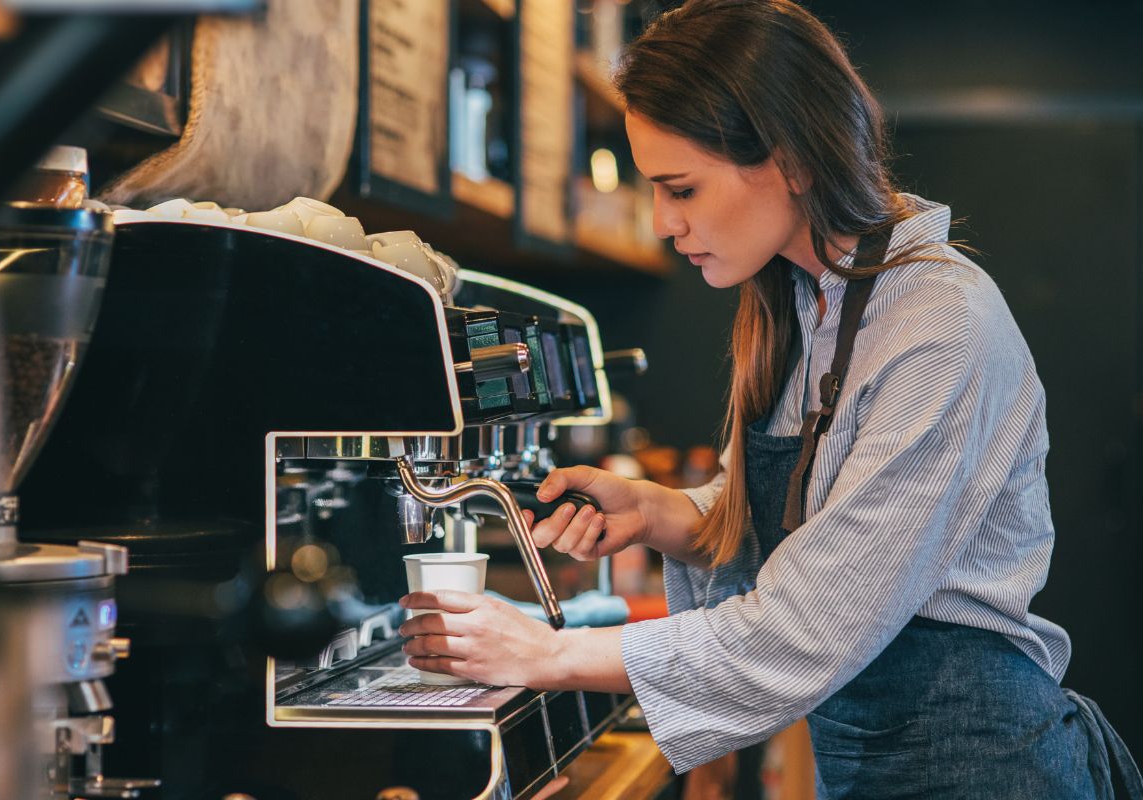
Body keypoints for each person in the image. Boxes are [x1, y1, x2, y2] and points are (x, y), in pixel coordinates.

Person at [399, 1, 1143, 796]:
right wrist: (662, 514)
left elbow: (811, 622)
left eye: (680, 189)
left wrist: (545, 655)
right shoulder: (804, 304)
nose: (660, 223)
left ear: (788, 159)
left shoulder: (939, 326)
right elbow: (809, 524)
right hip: (871, 765)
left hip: (988, 770)